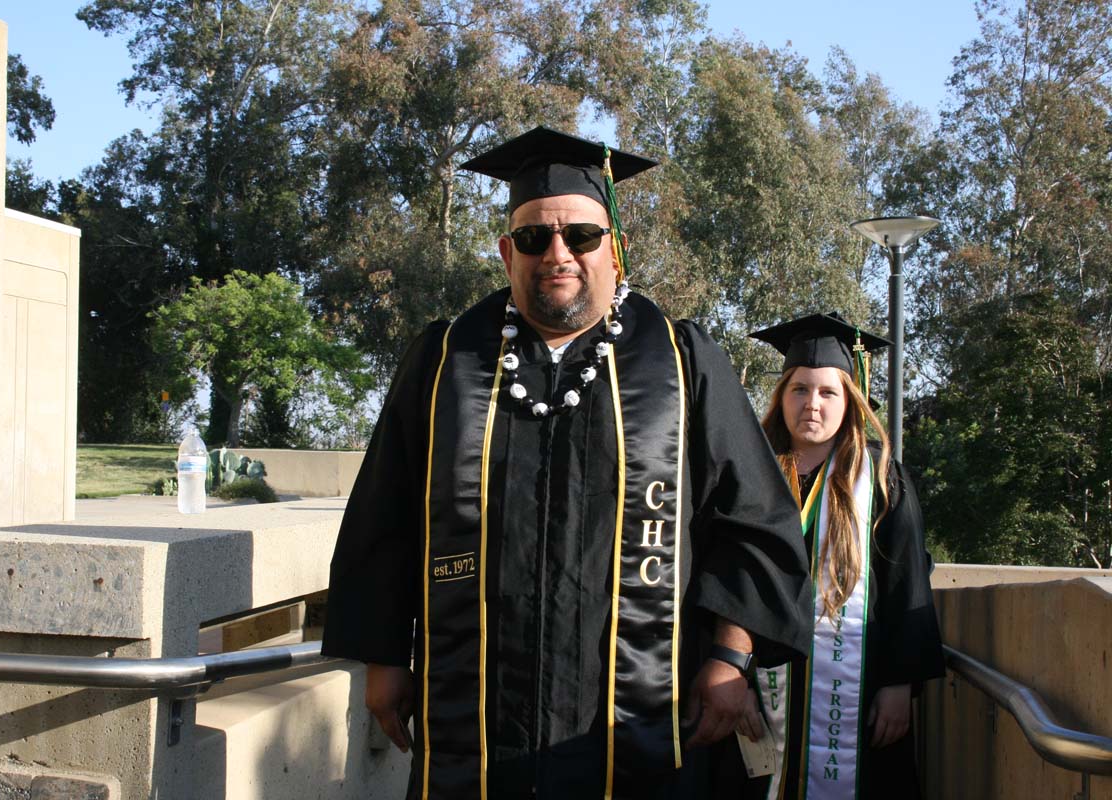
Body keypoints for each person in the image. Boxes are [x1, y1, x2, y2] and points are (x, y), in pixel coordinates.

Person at [322, 126, 813, 800]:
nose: (558, 254)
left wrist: (731, 655)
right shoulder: (446, 361)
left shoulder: (680, 360)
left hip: (637, 714)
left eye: (580, 236)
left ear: (613, 247)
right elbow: (386, 515)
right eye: (533, 238)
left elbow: (752, 519)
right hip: (477, 714)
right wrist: (383, 658)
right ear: (506, 253)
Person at [726, 312, 945, 800]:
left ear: (850, 401)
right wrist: (730, 674)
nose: (812, 404)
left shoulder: (882, 478)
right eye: (799, 389)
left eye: (828, 392)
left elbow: (905, 581)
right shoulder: (748, 475)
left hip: (857, 688)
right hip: (759, 689)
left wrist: (899, 685)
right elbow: (726, 578)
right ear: (781, 396)